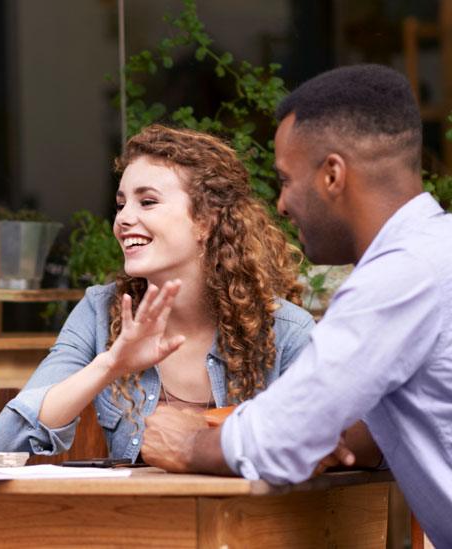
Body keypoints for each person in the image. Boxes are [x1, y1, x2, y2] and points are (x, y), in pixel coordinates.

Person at [139, 64, 452, 546]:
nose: (281, 205)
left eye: (286, 180)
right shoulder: (436, 251)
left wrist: (187, 444)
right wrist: (343, 435)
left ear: (332, 174)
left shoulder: (401, 275)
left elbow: (280, 436)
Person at [0, 125, 316, 461]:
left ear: (205, 221)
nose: (123, 219)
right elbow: (4, 443)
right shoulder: (101, 311)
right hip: (136, 514)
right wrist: (111, 365)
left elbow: (333, 447)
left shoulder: (285, 330)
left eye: (147, 202)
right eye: (121, 205)